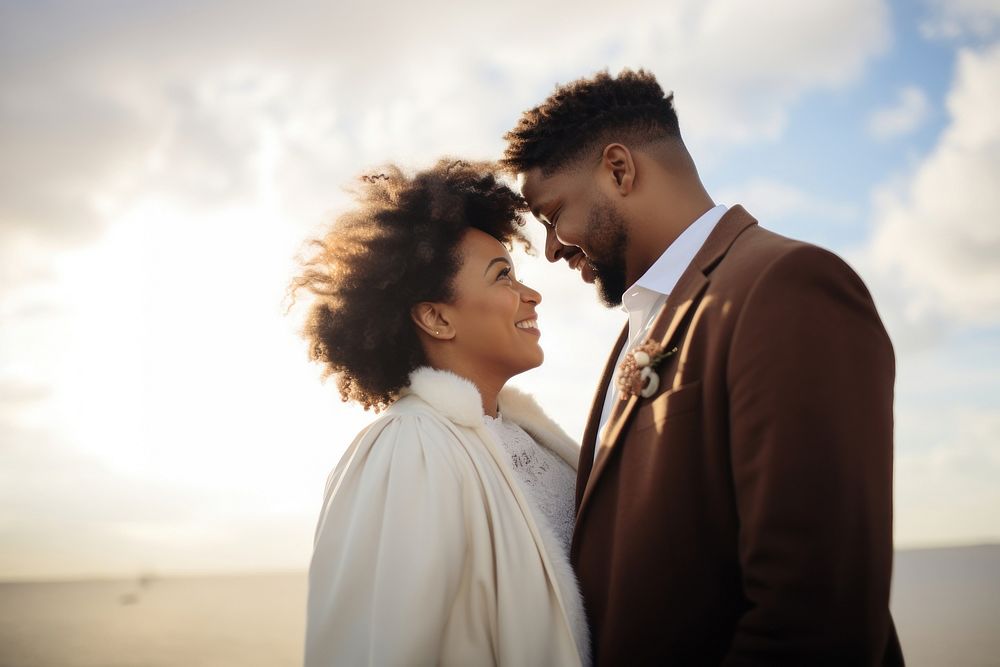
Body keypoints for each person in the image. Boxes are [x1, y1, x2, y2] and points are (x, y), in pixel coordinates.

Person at [501, 69, 904, 665]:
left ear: (619, 169)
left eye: (553, 213)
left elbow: (813, 607)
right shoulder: (642, 322)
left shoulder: (786, 286)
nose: (552, 248)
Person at [294, 160, 590, 666]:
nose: (532, 295)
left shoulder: (528, 437)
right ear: (436, 317)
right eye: (503, 277)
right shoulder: (408, 450)